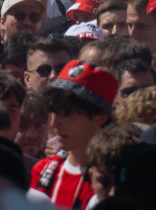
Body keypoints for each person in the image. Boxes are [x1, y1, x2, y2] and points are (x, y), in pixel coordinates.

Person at [31, 61, 117, 208]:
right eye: (53, 111)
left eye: (67, 113)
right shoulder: (42, 170)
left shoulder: (112, 182)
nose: (54, 123)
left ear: (100, 117)